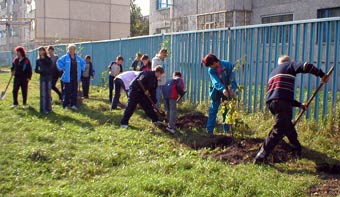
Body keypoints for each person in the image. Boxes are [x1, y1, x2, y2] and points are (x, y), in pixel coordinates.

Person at [254, 55, 329, 164]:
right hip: (281, 102)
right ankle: (261, 156)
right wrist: (322, 75)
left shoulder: (273, 73)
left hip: (272, 103)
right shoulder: (289, 65)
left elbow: (280, 95)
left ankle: (296, 149)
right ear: (288, 62)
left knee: (287, 126)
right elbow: (306, 66)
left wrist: (300, 105)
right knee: (279, 130)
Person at [202, 53, 238, 137]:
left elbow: (232, 78)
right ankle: (209, 131)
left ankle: (227, 131)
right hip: (217, 90)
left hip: (228, 90)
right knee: (213, 110)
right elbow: (216, 82)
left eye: (211, 65)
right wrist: (223, 89)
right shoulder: (211, 70)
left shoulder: (228, 65)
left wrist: (231, 88)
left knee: (226, 110)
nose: (210, 68)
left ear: (214, 62)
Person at [57, 44, 86, 110]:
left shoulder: (78, 58)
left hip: (75, 77)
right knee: (67, 91)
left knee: (74, 91)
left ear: (74, 50)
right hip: (67, 77)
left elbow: (83, 63)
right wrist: (63, 68)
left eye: (72, 49)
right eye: (70, 49)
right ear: (68, 50)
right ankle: (65, 105)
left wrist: (81, 69)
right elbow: (59, 62)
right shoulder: (65, 57)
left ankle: (73, 105)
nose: (71, 50)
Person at [35, 47, 53, 114]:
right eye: (40, 51)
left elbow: (50, 66)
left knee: (48, 93)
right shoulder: (38, 60)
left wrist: (47, 71)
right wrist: (41, 71)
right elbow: (36, 70)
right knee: (43, 94)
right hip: (42, 78)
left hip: (48, 77)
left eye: (42, 50)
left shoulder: (48, 59)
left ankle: (49, 108)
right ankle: (43, 109)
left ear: (44, 51)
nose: (41, 52)